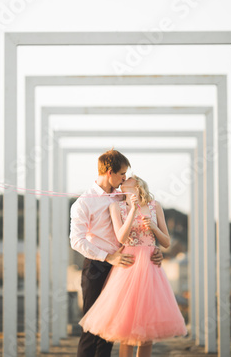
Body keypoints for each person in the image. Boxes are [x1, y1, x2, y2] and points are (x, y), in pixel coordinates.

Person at [79, 174, 187, 357]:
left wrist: (153, 226)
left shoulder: (155, 206)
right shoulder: (116, 206)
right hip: (128, 266)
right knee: (126, 330)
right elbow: (121, 237)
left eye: (128, 179)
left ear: (137, 185)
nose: (124, 181)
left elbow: (167, 242)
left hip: (150, 267)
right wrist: (133, 210)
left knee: (147, 330)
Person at [70, 149, 163, 357]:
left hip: (126, 266)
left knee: (112, 328)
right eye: (122, 174)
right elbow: (76, 240)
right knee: (92, 326)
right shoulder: (84, 202)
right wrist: (108, 257)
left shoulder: (123, 195)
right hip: (97, 265)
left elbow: (140, 225)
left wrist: (153, 250)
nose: (125, 178)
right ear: (109, 172)